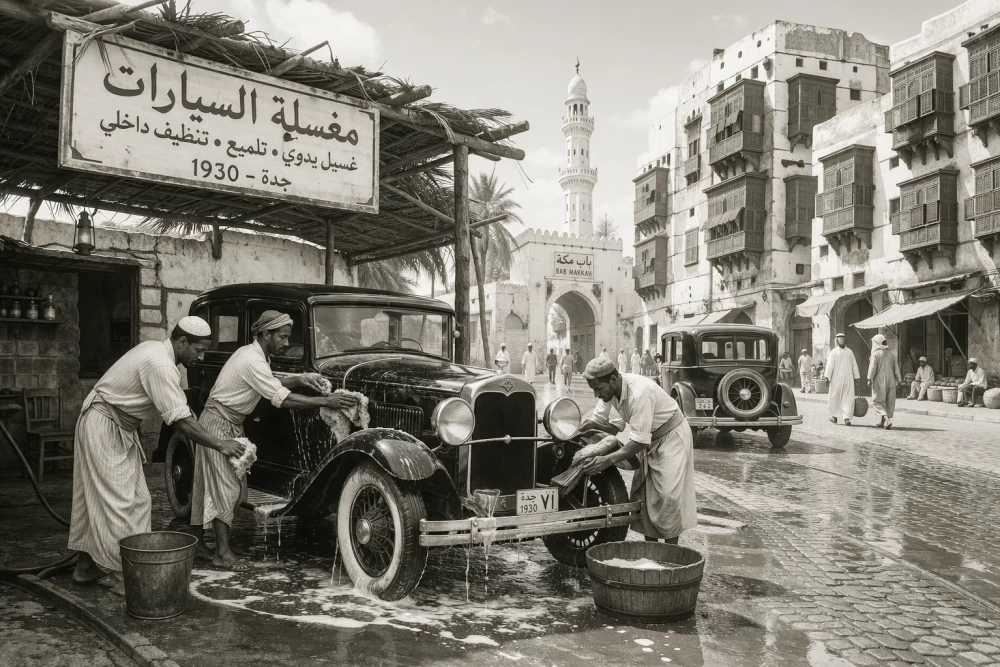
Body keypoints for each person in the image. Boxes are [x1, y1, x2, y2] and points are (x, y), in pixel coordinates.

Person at [69, 317, 247, 597]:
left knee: (131, 499)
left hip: (118, 425)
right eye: (198, 349)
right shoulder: (160, 364)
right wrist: (220, 444)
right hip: (103, 423)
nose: (199, 357)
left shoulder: (159, 352)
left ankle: (86, 567)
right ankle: (121, 574)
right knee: (120, 503)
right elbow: (182, 421)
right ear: (182, 342)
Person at [190, 311, 357, 570]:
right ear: (266, 334)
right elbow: (282, 399)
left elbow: (269, 382)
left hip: (222, 420)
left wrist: (302, 378)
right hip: (219, 423)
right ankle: (221, 553)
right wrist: (327, 401)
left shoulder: (254, 355)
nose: (287, 343)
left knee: (212, 484)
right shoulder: (251, 361)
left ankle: (200, 545)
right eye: (282, 336)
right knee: (226, 487)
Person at [577, 359, 697, 544]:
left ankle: (671, 553)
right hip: (649, 438)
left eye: (598, 389)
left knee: (667, 496)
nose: (596, 394)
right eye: (593, 389)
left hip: (671, 437)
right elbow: (612, 427)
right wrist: (593, 425)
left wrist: (607, 460)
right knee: (645, 497)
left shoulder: (640, 393)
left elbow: (639, 442)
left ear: (614, 380)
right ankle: (651, 550)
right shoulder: (609, 393)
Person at [867, 333, 901, 429]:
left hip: (879, 380)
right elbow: (896, 368)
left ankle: (887, 420)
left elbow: (872, 368)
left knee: (877, 401)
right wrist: (899, 379)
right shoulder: (891, 354)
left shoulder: (875, 354)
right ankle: (882, 422)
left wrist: (869, 379)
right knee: (888, 401)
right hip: (891, 380)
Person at [824, 333, 860, 426]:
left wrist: (827, 377)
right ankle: (846, 418)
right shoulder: (849, 352)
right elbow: (854, 366)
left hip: (837, 379)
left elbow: (829, 366)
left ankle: (834, 416)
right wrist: (857, 377)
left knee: (835, 396)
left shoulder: (834, 352)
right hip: (848, 379)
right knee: (847, 397)